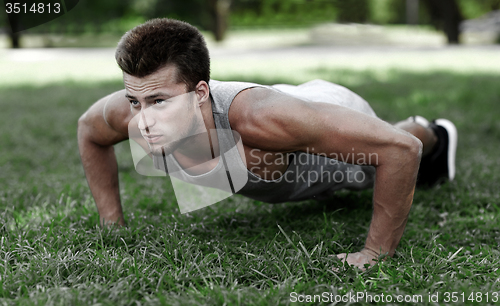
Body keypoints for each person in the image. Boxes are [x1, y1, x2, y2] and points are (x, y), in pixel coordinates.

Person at [77, 18, 457, 270]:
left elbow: (400, 149)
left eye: (159, 101)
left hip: (320, 110)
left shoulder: (262, 119)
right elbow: (89, 132)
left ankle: (433, 129)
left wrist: (375, 253)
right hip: (288, 112)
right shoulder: (131, 110)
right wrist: (113, 225)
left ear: (200, 94)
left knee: (380, 152)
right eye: (135, 101)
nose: (143, 119)